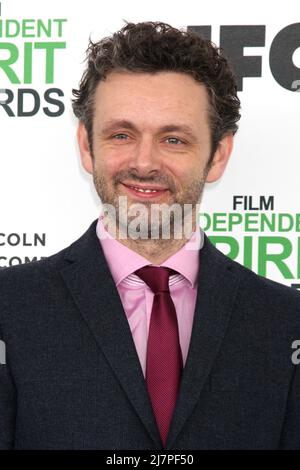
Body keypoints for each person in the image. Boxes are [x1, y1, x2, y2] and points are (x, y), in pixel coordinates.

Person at [0, 21, 300, 451]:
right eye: (121, 135)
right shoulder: (9, 308)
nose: (144, 162)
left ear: (218, 155)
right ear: (86, 145)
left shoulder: (286, 322)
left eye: (173, 139)